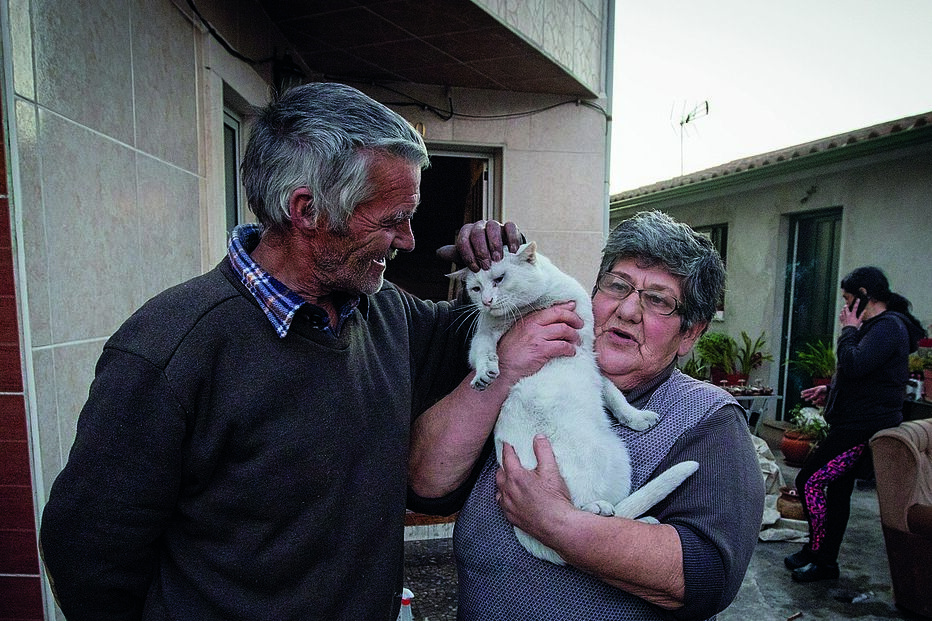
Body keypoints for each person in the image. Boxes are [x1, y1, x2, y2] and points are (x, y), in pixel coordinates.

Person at [39, 82, 578, 621]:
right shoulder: (171, 348)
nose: (410, 240)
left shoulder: (388, 315)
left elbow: (514, 335)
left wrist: (509, 263)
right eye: (392, 219)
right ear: (308, 211)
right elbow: (88, 555)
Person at [409, 210, 766, 620]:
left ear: (689, 333)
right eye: (617, 285)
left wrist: (555, 523)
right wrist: (506, 366)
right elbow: (426, 485)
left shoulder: (709, 419)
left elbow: (707, 575)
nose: (628, 310)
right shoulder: (521, 360)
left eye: (658, 300)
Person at [784, 266, 925, 582]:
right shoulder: (877, 327)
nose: (845, 309)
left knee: (810, 481)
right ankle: (820, 554)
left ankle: (822, 558)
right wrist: (831, 390)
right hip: (852, 421)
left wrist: (848, 329)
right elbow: (871, 376)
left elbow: (854, 362)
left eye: (848, 300)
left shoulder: (888, 327)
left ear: (864, 296)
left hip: (862, 428)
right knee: (835, 491)